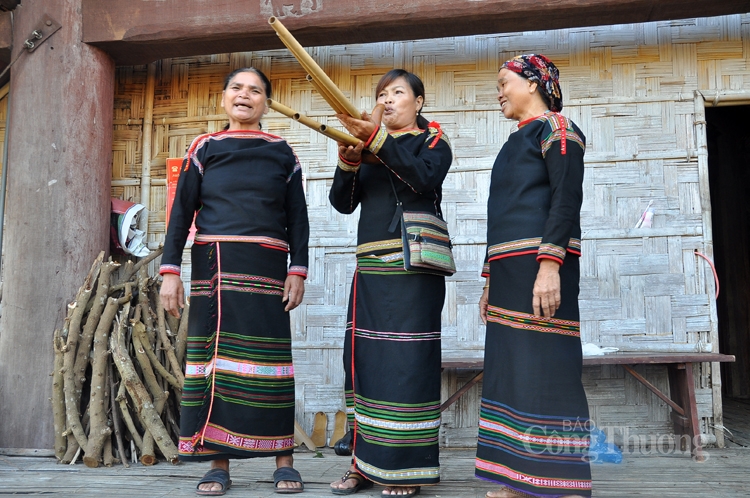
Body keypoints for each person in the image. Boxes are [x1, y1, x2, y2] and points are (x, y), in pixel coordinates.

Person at [160, 67, 309, 496]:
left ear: (266, 102)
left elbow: (298, 220)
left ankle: (284, 460)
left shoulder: (283, 153)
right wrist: (170, 272)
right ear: (224, 98)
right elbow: (180, 215)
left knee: (271, 363)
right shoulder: (205, 147)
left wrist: (297, 269)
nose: (245, 96)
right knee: (215, 364)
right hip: (214, 263)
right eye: (237, 89)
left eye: (256, 91)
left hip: (267, 266)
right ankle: (218, 465)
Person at [328, 69, 452, 497]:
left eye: (398, 92)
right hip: (372, 268)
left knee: (407, 364)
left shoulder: (433, 142)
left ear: (418, 102)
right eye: (382, 94)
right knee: (364, 362)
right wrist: (348, 159)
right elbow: (342, 204)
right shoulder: (368, 150)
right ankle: (362, 464)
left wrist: (378, 141)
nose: (388, 99)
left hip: (414, 268)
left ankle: (406, 469)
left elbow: (423, 178)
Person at [476, 54, 592, 498]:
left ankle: (554, 480)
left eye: (504, 82)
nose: (499, 91)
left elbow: (566, 200)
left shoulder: (558, 130)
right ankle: (512, 477)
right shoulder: (513, 142)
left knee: (546, 367)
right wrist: (488, 279)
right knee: (510, 369)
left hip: (541, 267)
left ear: (533, 83)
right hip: (509, 272)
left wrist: (550, 265)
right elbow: (499, 216)